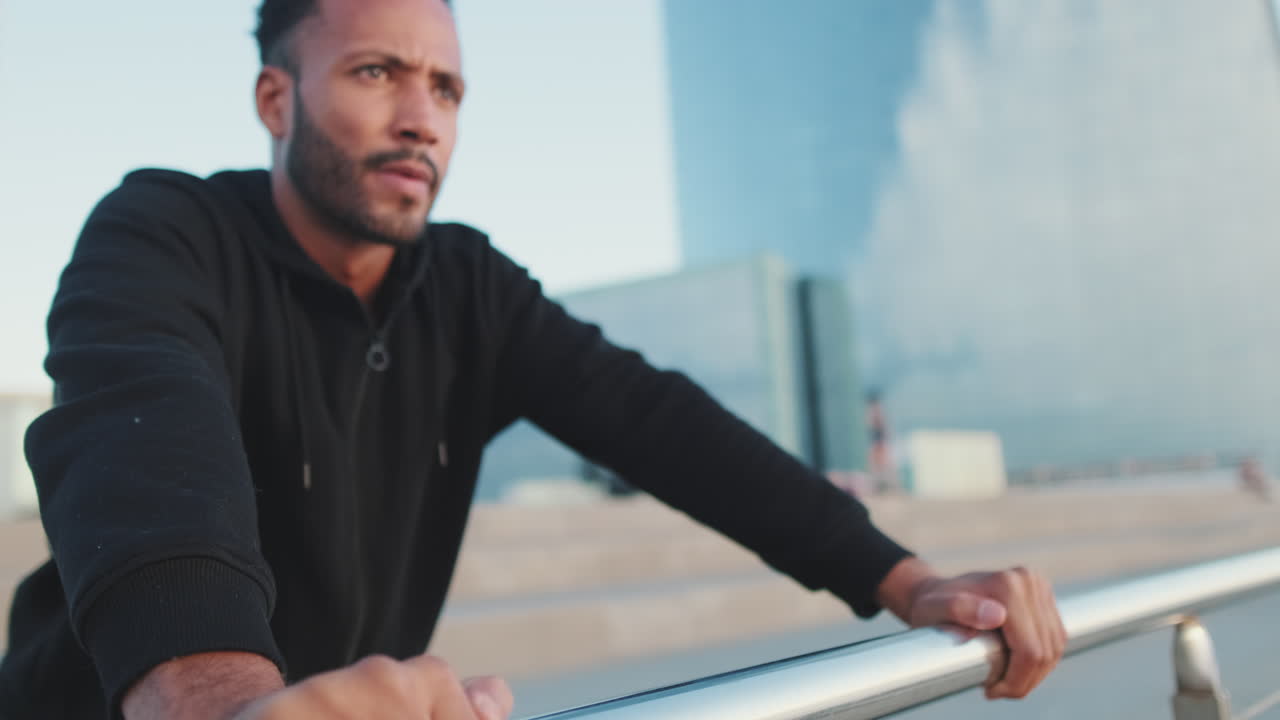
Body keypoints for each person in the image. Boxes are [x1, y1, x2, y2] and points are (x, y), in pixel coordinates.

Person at [0, 0, 1067, 717]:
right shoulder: (165, 229)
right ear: (276, 99)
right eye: (376, 73)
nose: (421, 119)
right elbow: (140, 431)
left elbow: (664, 426)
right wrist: (221, 696)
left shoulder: (469, 288)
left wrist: (913, 582)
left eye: (446, 89)